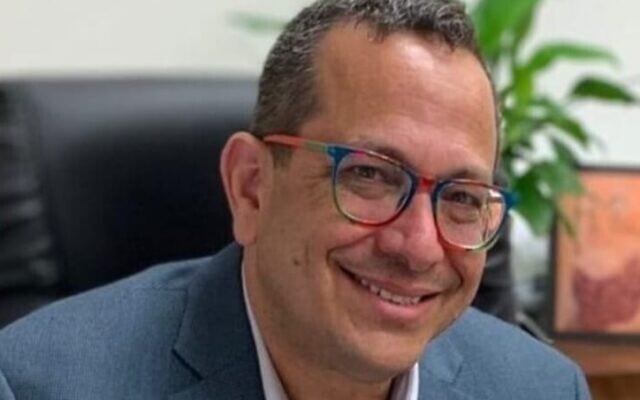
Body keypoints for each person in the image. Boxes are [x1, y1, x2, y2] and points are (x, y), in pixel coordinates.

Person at [0, 0, 590, 399]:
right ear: (251, 187)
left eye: (462, 197)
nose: (417, 247)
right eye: (370, 175)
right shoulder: (37, 384)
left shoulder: (542, 390)